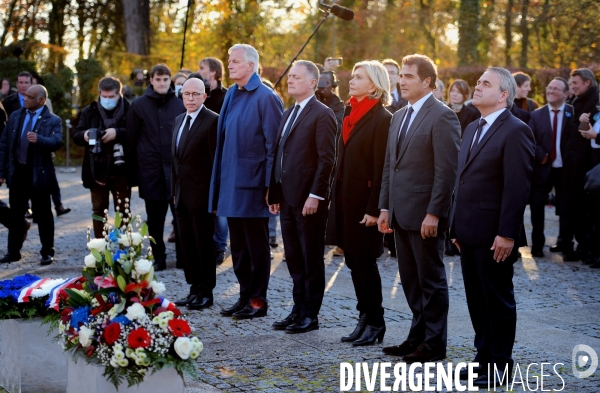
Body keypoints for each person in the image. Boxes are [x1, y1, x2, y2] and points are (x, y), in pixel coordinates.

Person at [450, 67, 535, 388]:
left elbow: (517, 188)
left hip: (496, 234)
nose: (478, 86)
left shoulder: (516, 130)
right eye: (478, 81)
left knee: (497, 299)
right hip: (468, 231)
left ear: (503, 94)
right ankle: (482, 357)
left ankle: (500, 364)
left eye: (486, 83)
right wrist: (456, 226)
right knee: (476, 298)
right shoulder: (472, 127)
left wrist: (507, 233)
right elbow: (463, 181)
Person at [377, 54, 460, 362]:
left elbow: (446, 172)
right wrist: (385, 206)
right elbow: (390, 166)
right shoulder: (398, 115)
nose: (402, 80)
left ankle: (435, 343)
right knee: (410, 280)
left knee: (431, 280)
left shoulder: (443, 116)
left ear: (427, 81)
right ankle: (417, 337)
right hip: (400, 213)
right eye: (401, 75)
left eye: (409, 76)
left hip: (426, 214)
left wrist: (435, 213)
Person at [209, 44, 283, 319]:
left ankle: (257, 302)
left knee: (256, 247)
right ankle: (243, 297)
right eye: (229, 61)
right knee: (238, 248)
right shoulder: (231, 93)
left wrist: (269, 187)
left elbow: (273, 147)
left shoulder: (266, 97)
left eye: (235, 61)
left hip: (254, 186)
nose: (229, 65)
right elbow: (223, 142)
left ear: (251, 65)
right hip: (231, 183)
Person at [325, 60, 392, 345]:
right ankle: (363, 319)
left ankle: (375, 322)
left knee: (365, 262)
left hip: (365, 203)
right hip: (344, 200)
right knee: (352, 260)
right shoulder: (350, 112)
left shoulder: (382, 118)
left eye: (359, 77)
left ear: (374, 85)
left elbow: (381, 168)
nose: (351, 80)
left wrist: (374, 209)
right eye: (352, 76)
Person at [267, 60, 336, 333]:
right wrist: (274, 191)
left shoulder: (323, 114)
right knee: (294, 257)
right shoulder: (288, 112)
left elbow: (326, 159)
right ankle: (297, 309)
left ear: (312, 83)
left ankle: (311, 315)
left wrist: (316, 195)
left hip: (309, 200)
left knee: (310, 258)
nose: (290, 81)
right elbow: (279, 154)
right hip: (287, 197)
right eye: (289, 77)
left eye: (296, 77)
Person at [127, 64, 185, 271]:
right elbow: (131, 139)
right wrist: (137, 170)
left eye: (165, 80)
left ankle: (182, 257)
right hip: (150, 171)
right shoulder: (139, 105)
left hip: (176, 172)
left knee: (180, 217)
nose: (162, 83)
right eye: (158, 79)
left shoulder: (180, 105)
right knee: (155, 219)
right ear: (151, 80)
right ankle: (157, 256)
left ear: (170, 81)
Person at [0, 85, 62, 265]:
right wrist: (2, 172)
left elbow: (57, 141)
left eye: (30, 96)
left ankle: (47, 252)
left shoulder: (53, 120)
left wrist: (40, 139)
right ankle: (13, 252)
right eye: (25, 95)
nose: (25, 98)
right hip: (17, 173)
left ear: (41, 100)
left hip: (39, 174)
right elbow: (4, 144)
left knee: (43, 214)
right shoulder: (15, 116)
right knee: (16, 215)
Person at [171, 78, 219, 310]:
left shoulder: (213, 121)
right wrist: (174, 192)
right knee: (187, 245)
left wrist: (215, 198)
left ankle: (206, 292)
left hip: (202, 197)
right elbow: (175, 162)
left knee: (203, 245)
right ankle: (193, 289)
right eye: (186, 94)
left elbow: (215, 162)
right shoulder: (178, 120)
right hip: (180, 196)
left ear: (204, 96)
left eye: (195, 94)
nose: (190, 98)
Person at [73, 76, 134, 238]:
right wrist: (85, 134)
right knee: (98, 209)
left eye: (111, 97)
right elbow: (76, 135)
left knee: (123, 209)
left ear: (119, 94)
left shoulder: (130, 110)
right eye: (103, 97)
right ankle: (100, 244)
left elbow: (138, 134)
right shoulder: (89, 111)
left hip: (122, 169)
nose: (107, 100)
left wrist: (118, 133)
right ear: (99, 93)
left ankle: (124, 246)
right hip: (97, 169)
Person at [527, 78, 573, 258]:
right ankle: (537, 245)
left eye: (556, 89)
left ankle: (566, 245)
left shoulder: (573, 113)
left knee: (567, 209)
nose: (551, 91)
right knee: (537, 208)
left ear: (566, 94)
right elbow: (530, 140)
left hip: (565, 170)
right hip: (543, 168)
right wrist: (542, 154)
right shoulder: (536, 115)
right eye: (550, 87)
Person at [561, 68, 599, 262]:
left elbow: (591, 134)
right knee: (576, 211)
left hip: (589, 166)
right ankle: (583, 247)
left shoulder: (596, 104)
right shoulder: (575, 101)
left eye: (576, 83)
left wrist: (585, 125)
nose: (572, 87)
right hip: (573, 166)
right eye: (571, 83)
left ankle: (592, 250)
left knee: (590, 212)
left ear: (588, 83)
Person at [198, 57, 229, 264]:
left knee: (220, 207)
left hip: (222, 154)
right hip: (200, 157)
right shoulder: (199, 95)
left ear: (214, 73)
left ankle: (220, 246)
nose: (198, 71)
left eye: (202, 68)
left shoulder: (227, 96)